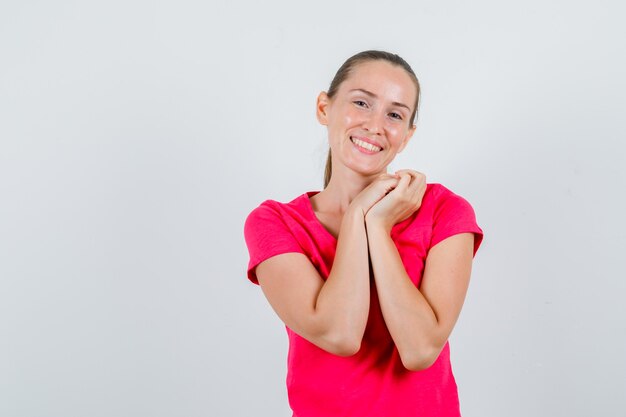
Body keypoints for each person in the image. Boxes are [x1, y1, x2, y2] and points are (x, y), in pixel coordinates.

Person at [244, 50, 484, 417]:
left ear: (406, 136)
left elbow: (420, 350)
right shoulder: (275, 222)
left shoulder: (444, 210)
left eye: (395, 114)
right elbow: (339, 334)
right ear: (325, 108)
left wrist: (378, 227)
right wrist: (359, 215)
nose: (375, 125)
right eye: (361, 103)